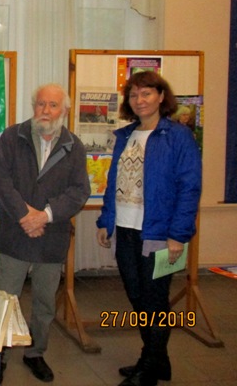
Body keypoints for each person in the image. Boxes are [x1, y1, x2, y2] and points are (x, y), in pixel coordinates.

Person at [96, 71, 201, 386]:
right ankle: (157, 360)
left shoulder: (178, 136)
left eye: (146, 93)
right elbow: (114, 182)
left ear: (161, 96)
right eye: (133, 95)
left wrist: (178, 234)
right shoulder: (125, 135)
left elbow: (189, 187)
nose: (139, 100)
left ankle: (149, 367)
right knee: (137, 297)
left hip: (157, 233)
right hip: (125, 228)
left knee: (154, 301)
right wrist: (105, 220)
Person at [0, 83, 90, 383]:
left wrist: (44, 215)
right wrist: (25, 216)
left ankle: (35, 353)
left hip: (51, 235)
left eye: (53, 105)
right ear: (33, 106)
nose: (46, 110)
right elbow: (1, 181)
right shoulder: (13, 136)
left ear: (64, 111)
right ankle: (0, 355)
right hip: (15, 231)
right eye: (41, 104)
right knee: (6, 299)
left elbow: (79, 191)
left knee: (45, 302)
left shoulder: (74, 146)